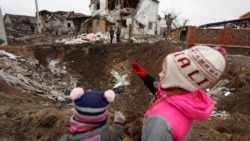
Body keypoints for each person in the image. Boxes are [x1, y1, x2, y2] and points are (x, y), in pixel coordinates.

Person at [131, 45, 227, 141]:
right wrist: (147, 78)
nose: (160, 74)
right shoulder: (187, 100)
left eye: (164, 72)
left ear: (178, 80)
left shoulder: (160, 121)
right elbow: (162, 92)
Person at [59, 87, 126, 141]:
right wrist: (118, 123)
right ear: (103, 116)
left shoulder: (66, 139)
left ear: (76, 114)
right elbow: (117, 137)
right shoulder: (109, 135)